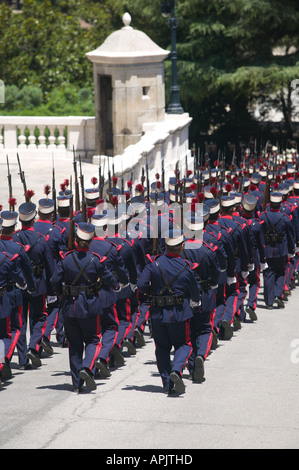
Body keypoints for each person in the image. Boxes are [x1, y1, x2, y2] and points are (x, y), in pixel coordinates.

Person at [51, 222, 119, 392]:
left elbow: (54, 281)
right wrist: (116, 286)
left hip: (69, 307)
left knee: (74, 345)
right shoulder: (95, 260)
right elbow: (109, 279)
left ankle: (76, 383)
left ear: (76, 241)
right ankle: (87, 367)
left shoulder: (66, 259)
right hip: (90, 306)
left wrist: (62, 293)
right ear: (90, 242)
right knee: (93, 340)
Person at [137, 229, 201, 395]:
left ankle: (167, 383)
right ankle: (177, 370)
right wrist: (195, 301)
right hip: (179, 313)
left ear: (165, 246)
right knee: (184, 344)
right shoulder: (186, 267)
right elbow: (195, 290)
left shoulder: (154, 264)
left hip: (158, 313)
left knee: (162, 348)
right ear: (181, 247)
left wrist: (151, 295)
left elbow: (142, 285)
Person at [13, 201, 55, 368]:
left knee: (21, 322)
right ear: (33, 220)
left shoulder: (15, 238)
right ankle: (33, 348)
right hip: (38, 284)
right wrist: (53, 290)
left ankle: (22, 360)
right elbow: (51, 268)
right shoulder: (41, 240)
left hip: (19, 284)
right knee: (38, 318)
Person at [260, 191, 295, 309]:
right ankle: (277, 294)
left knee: (268, 274)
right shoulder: (284, 218)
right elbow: (290, 236)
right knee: (280, 272)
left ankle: (269, 302)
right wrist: (291, 249)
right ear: (280, 204)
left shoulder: (263, 216)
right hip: (281, 250)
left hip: (267, 250)